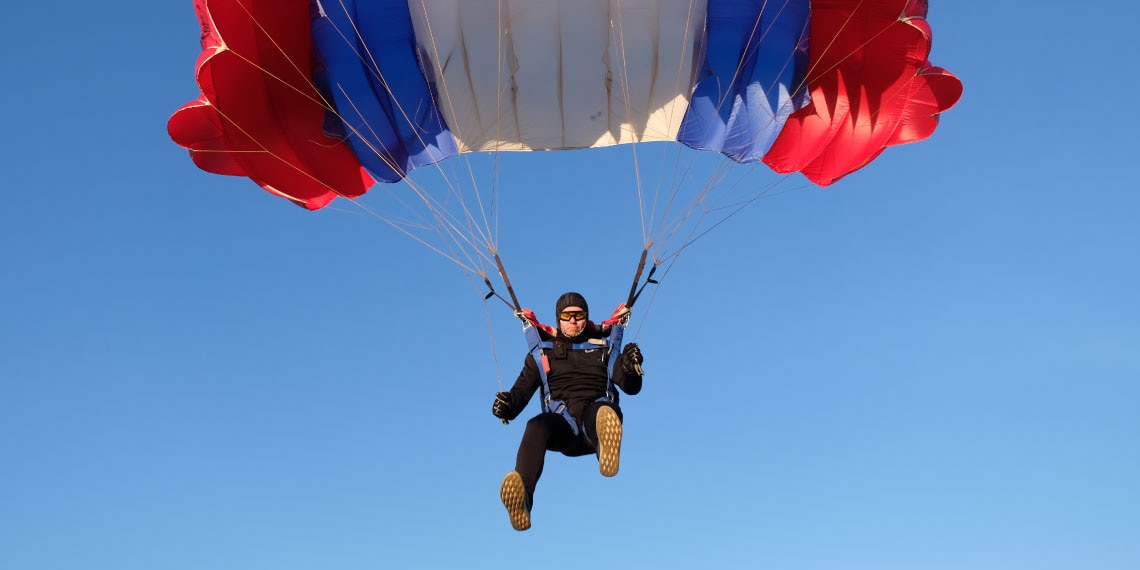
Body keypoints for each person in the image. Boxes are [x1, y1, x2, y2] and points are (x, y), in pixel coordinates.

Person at [491, 291, 644, 531]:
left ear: (586, 318)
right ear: (559, 320)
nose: (573, 321)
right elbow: (520, 394)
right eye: (567, 316)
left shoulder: (605, 350)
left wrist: (632, 368)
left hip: (596, 416)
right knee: (536, 425)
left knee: (601, 411)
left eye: (578, 315)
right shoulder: (542, 354)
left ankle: (606, 448)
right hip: (565, 427)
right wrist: (506, 406)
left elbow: (629, 386)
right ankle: (523, 496)